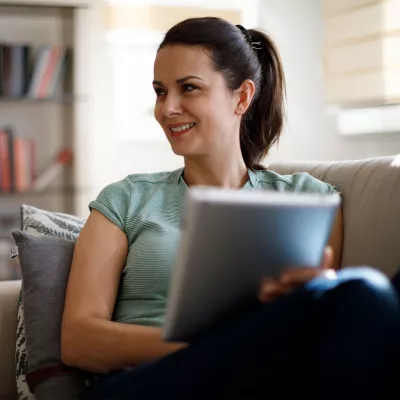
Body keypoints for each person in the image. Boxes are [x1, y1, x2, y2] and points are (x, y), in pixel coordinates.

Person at [61, 17, 400, 400]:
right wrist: (213, 346)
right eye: (160, 91)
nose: (167, 108)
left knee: (367, 296)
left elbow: (318, 324)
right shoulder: (125, 199)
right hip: (148, 383)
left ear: (241, 97)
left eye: (188, 88)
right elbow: (79, 339)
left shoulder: (309, 199)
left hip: (259, 379)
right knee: (365, 293)